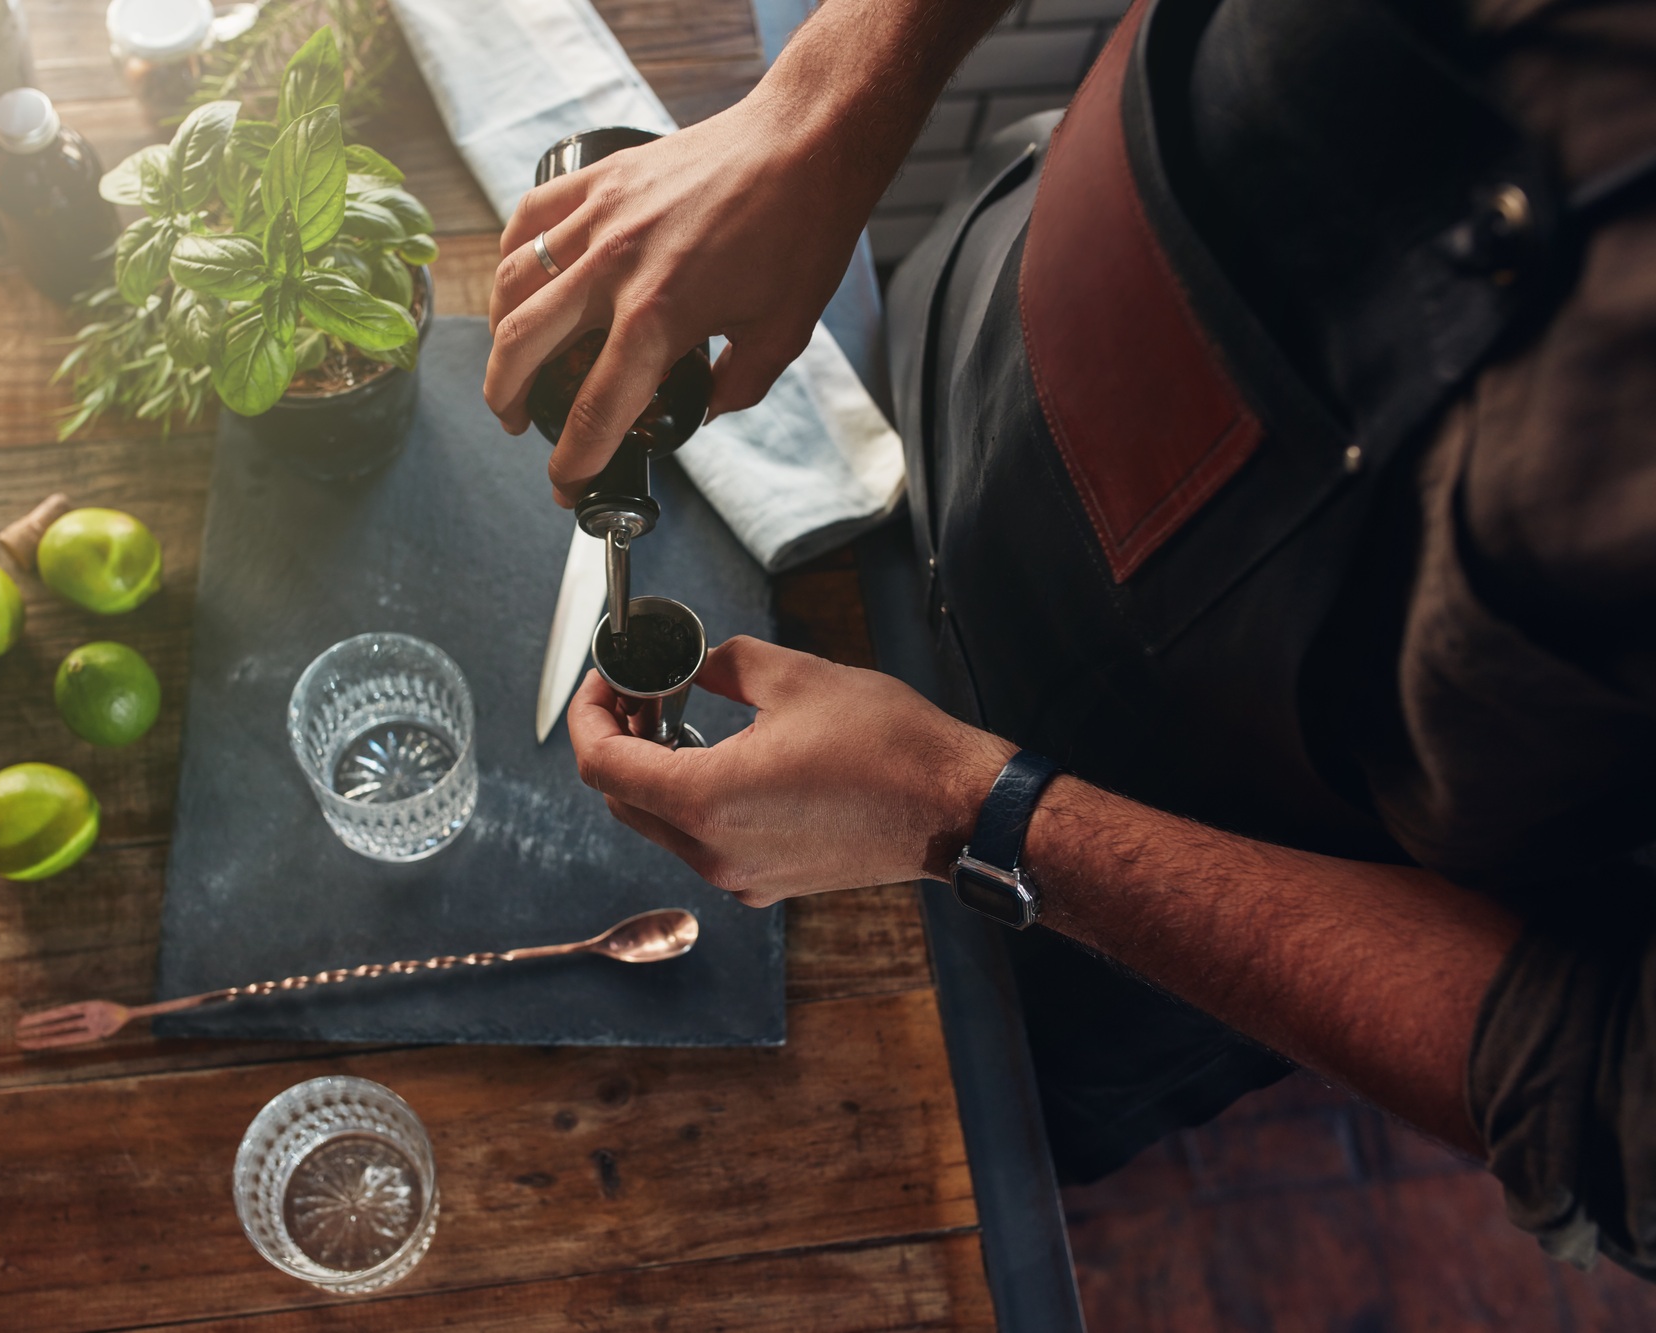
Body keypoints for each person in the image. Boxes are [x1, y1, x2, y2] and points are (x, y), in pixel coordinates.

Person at [484, 0, 1656, 1279]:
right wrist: (828, 94)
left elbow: (1607, 1096)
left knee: (970, 1116)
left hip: (1119, 909)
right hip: (982, 320)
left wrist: (969, 813)